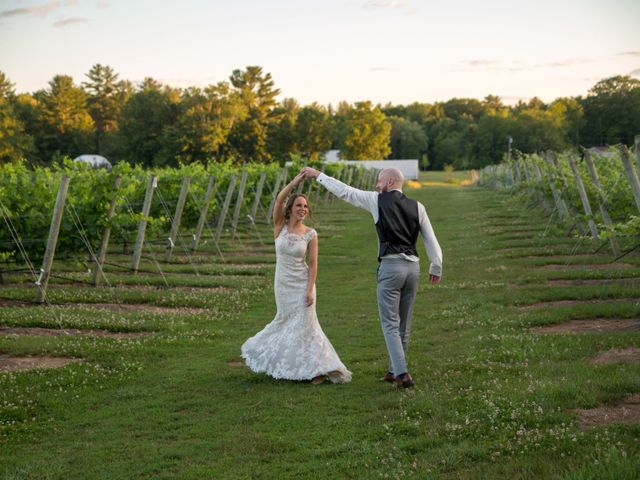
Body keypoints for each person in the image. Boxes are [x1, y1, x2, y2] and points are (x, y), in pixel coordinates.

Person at [300, 166, 442, 388]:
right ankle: (393, 370)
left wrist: (319, 176)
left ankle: (403, 374)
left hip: (391, 267)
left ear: (390, 182)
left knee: (389, 324)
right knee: (404, 324)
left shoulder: (376, 200)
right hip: (413, 269)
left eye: (379, 181)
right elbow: (430, 238)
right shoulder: (418, 207)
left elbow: (345, 191)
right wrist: (436, 265)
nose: (377, 185)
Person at [241, 172, 352, 385]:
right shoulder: (279, 227)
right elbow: (279, 199)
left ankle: (320, 370)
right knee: (286, 322)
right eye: (299, 205)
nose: (303, 209)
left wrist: (310, 289)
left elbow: (313, 264)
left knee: (307, 327)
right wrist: (295, 182)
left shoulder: (311, 233)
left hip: (302, 284)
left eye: (306, 207)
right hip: (282, 285)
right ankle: (297, 366)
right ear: (291, 209)